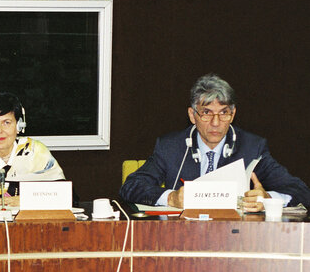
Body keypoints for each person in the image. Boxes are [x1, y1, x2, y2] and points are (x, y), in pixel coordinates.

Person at [119, 74, 310, 211]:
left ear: (233, 114)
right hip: (183, 238)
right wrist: (171, 197)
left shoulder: (252, 147)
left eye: (224, 113)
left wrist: (268, 199)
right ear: (192, 116)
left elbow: (301, 191)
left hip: (235, 239)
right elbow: (131, 187)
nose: (216, 123)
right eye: (206, 113)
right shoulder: (171, 147)